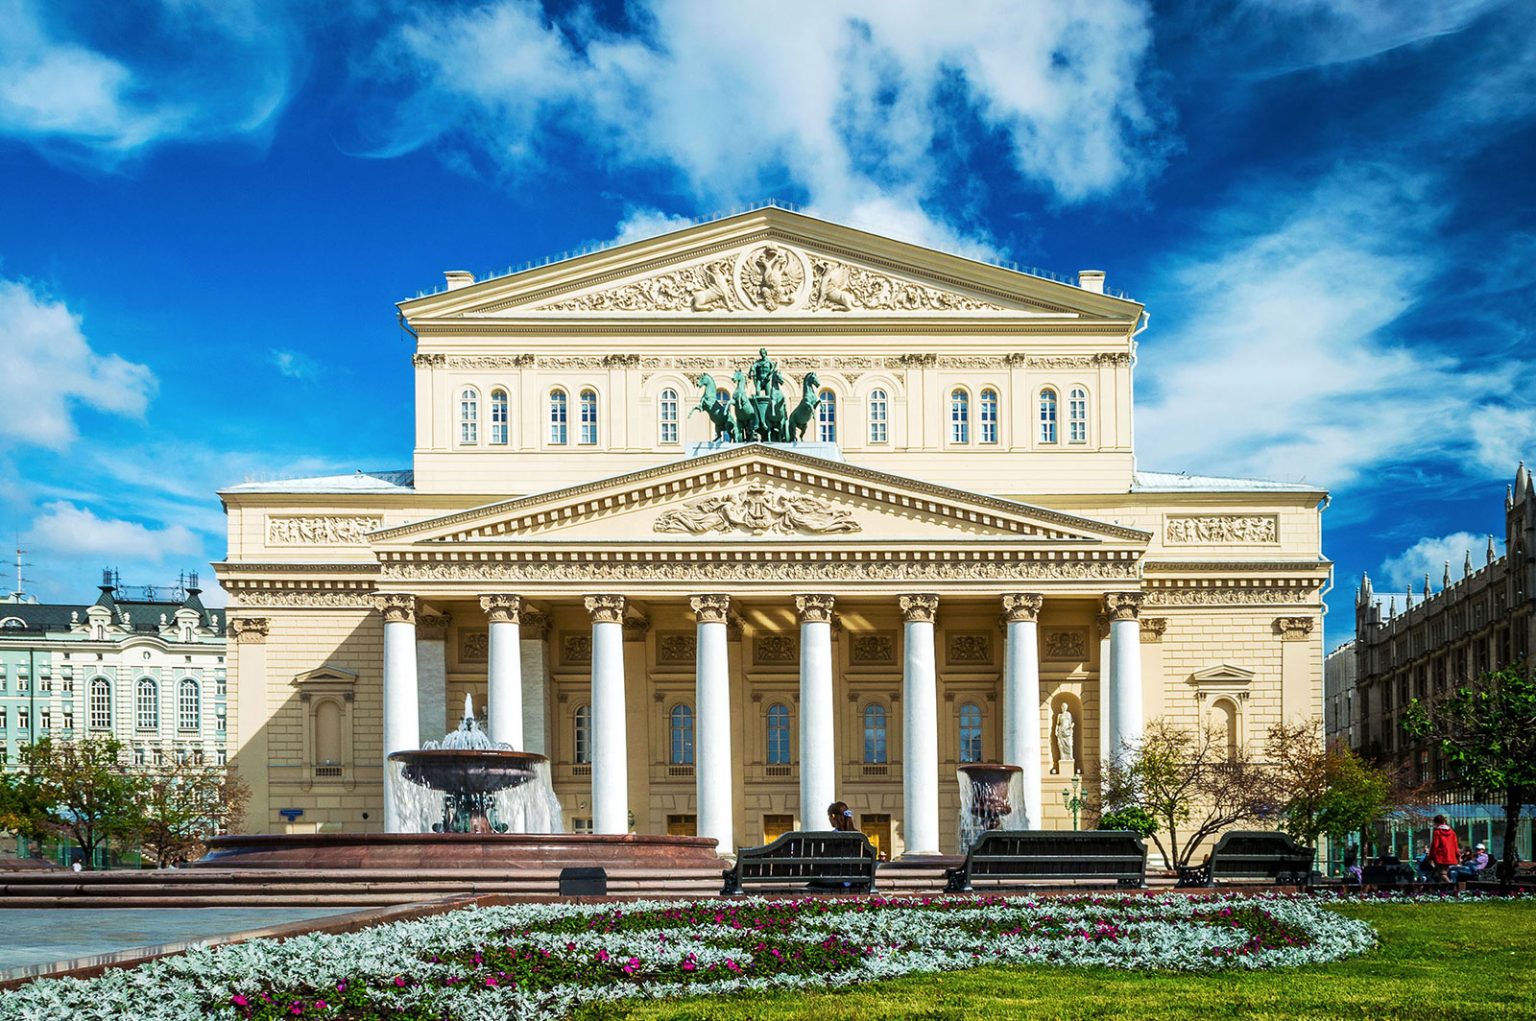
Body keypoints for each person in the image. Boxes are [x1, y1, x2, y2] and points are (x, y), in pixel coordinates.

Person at [1427, 815, 1461, 883]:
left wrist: (1431, 856)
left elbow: (1435, 845)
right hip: (1450, 856)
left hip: (1440, 856)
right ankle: (1443, 890)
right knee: (1443, 873)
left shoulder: (1437, 832)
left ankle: (1452, 886)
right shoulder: (1452, 832)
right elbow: (1455, 845)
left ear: (1436, 822)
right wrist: (1458, 856)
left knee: (1442, 874)